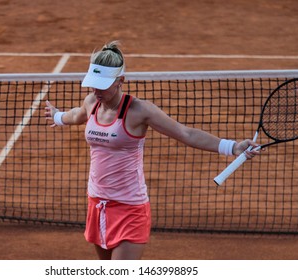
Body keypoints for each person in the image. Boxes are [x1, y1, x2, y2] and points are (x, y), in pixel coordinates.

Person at [44, 40, 260, 260]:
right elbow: (77, 116)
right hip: (97, 204)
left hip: (130, 209)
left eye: (103, 84)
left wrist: (233, 147)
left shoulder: (139, 111)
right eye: (93, 83)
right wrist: (58, 116)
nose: (96, 89)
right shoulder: (92, 101)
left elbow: (185, 133)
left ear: (120, 81)